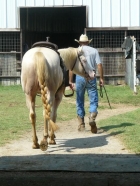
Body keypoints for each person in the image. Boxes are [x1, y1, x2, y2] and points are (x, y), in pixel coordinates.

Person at [69, 34, 104, 133]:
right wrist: (101, 78)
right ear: (88, 42)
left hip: (80, 77)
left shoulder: (76, 51)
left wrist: (70, 81)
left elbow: (71, 68)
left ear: (79, 42)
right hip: (91, 76)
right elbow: (99, 65)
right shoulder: (94, 51)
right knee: (93, 98)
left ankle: (81, 124)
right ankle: (92, 117)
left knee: (79, 100)